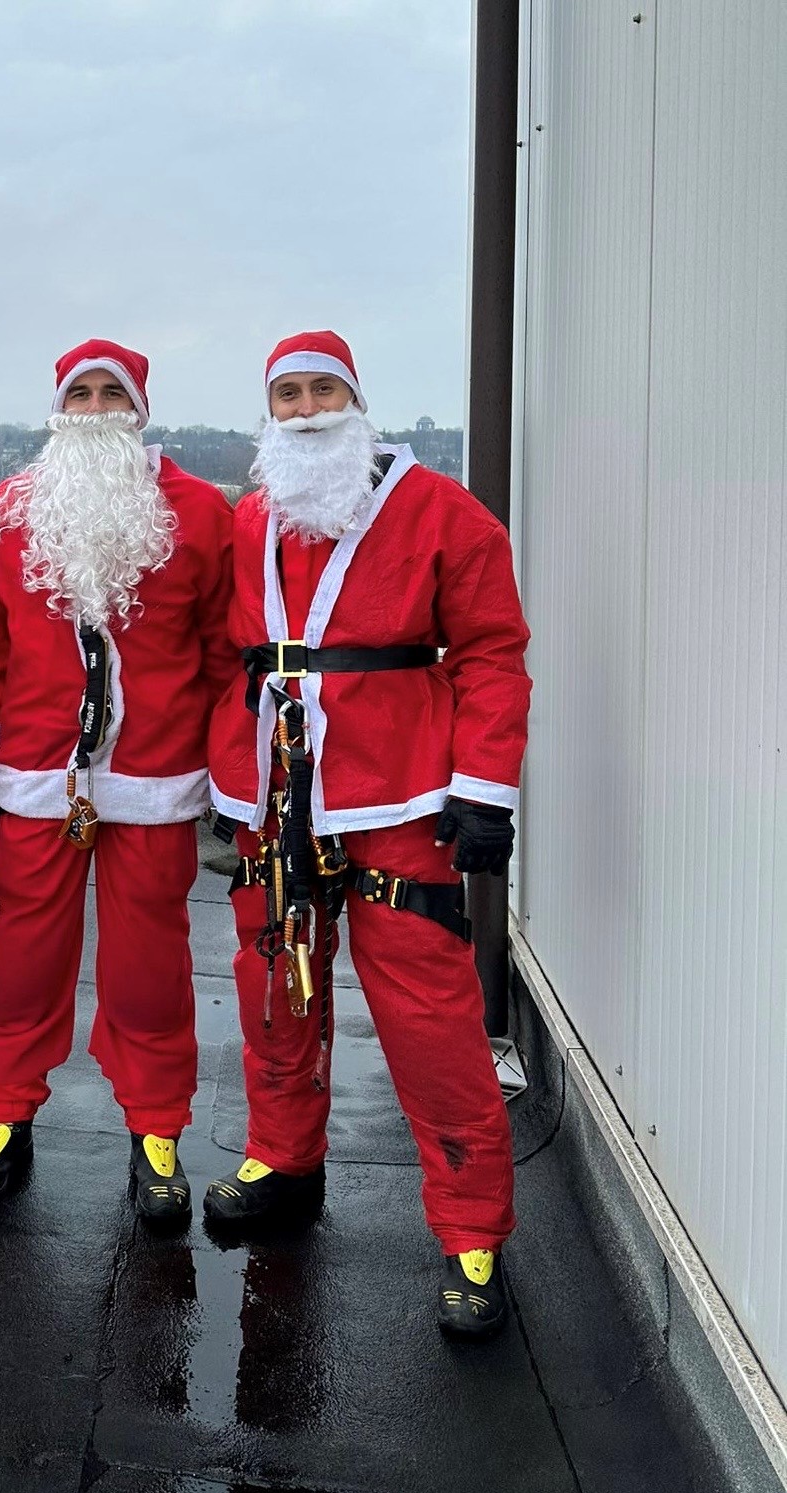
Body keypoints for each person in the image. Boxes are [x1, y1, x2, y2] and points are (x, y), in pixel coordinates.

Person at [206, 331, 531, 1336]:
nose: (304, 409)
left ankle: (472, 1226)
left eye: (322, 391)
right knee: (273, 984)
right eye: (288, 393)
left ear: (356, 399)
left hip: (400, 795)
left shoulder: (442, 514)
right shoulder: (251, 515)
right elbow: (231, 655)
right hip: (282, 793)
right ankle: (284, 1156)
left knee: (431, 1015)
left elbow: (491, 651)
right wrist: (230, 776)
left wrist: (485, 790)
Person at [0, 338, 237, 1222]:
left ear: (140, 408)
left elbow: (224, 654)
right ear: (58, 408)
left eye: (114, 392)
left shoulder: (200, 513)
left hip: (154, 777)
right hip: (35, 774)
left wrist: (228, 774)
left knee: (150, 963)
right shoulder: (4, 513)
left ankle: (156, 1127)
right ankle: (1, 1113)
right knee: (20, 958)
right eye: (81, 393)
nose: (97, 407)